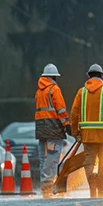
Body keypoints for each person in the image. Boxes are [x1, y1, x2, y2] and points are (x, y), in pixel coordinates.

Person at [70, 64, 103, 198]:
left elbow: (74, 113)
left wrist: (75, 132)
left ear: (89, 76)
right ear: (101, 76)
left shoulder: (81, 92)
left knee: (89, 162)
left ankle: (92, 189)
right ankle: (101, 188)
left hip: (87, 136)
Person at [34, 63, 70, 197]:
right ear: (54, 76)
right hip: (53, 129)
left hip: (41, 129)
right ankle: (48, 184)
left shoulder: (39, 91)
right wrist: (66, 124)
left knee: (43, 157)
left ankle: (45, 185)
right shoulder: (54, 89)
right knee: (53, 156)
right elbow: (60, 109)